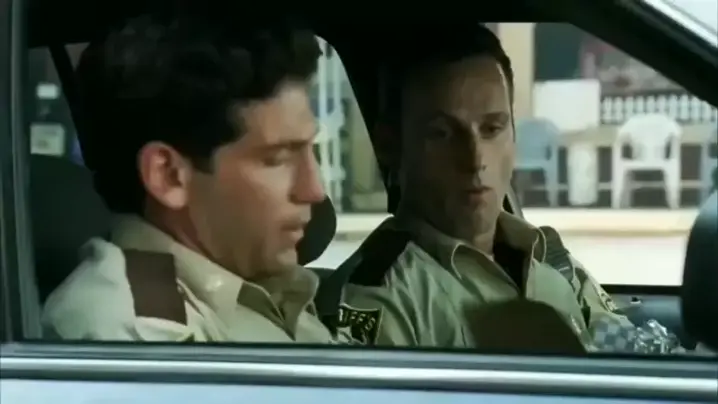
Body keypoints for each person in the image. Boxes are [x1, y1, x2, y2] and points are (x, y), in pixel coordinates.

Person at [342, 25, 689, 354]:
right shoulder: (384, 295)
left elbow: (623, 349)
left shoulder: (545, 254)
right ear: (390, 145)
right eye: (442, 134)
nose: (475, 159)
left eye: (492, 129)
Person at [42, 12, 351, 343]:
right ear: (169, 176)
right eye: (277, 159)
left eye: (310, 151)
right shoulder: (133, 331)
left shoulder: (260, 289)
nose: (314, 190)